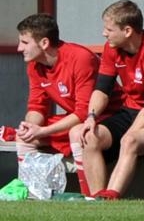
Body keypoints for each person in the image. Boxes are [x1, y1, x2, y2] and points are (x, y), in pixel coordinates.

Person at [68, 0, 144, 199]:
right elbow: (102, 90)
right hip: (130, 111)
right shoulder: (111, 48)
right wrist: (91, 117)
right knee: (89, 136)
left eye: (109, 29)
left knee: (130, 140)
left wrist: (129, 133)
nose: (103, 34)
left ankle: (111, 196)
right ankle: (97, 198)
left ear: (127, 31)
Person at [15, 13, 121, 196]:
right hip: (78, 117)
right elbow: (37, 106)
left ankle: (89, 198)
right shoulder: (34, 65)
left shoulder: (80, 58)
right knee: (24, 137)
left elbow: (84, 111)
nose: (19, 48)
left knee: (78, 133)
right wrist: (31, 126)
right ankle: (33, 196)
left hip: (108, 116)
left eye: (25, 42)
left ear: (44, 43)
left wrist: (43, 131)